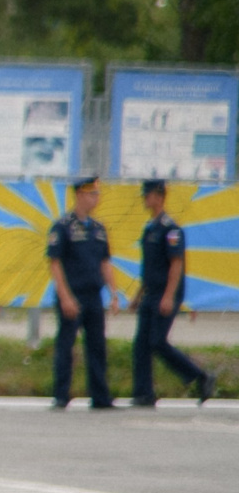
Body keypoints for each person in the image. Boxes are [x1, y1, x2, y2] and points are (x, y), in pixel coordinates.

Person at [131, 181, 214, 406]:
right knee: (141, 344)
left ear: (158, 196)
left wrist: (168, 295)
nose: (145, 199)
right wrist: (138, 295)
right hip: (151, 293)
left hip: (166, 294)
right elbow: (148, 268)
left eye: (147, 195)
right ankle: (143, 393)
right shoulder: (150, 228)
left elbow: (176, 264)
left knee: (157, 341)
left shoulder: (171, 230)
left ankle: (200, 376)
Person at [46, 176, 118, 411]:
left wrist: (114, 293)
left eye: (97, 194)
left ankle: (100, 396)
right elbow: (55, 263)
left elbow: (105, 262)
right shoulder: (63, 226)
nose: (95, 198)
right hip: (72, 293)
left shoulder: (98, 229)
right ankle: (61, 394)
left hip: (93, 294)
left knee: (97, 345)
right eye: (91, 194)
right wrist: (65, 296)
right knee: (66, 345)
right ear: (79, 195)